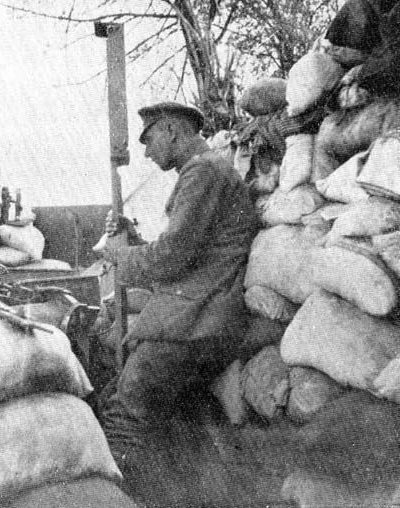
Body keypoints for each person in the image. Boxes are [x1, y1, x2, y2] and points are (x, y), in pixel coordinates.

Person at [98, 102, 259, 475]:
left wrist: (120, 257)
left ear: (171, 129)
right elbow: (192, 247)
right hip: (195, 314)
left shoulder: (203, 172)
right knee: (128, 402)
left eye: (149, 138)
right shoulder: (207, 171)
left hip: (197, 321)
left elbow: (173, 257)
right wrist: (132, 238)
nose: (146, 151)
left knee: (125, 414)